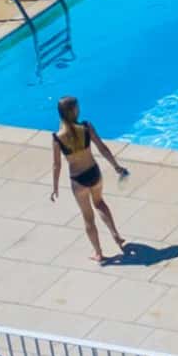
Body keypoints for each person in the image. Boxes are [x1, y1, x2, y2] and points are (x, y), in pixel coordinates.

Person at [50, 96, 131, 264]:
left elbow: (57, 165)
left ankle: (99, 253)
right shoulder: (86, 127)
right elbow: (102, 148)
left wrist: (55, 187)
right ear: (74, 111)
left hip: (78, 179)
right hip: (94, 172)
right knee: (100, 203)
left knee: (88, 217)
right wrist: (116, 166)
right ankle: (115, 234)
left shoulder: (58, 137)